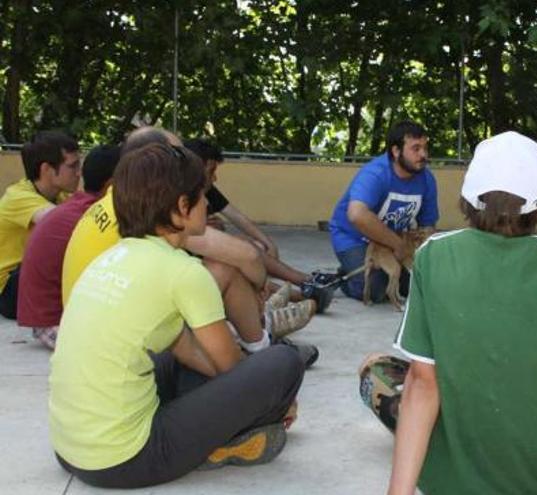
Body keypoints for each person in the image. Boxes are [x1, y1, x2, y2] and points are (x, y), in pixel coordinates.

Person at [371, 131, 537, 495]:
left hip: (449, 481)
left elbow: (421, 385)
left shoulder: (434, 256)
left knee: (374, 367)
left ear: (468, 198)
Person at [49, 142, 306, 488]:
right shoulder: (185, 273)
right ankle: (224, 441)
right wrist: (273, 394)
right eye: (203, 197)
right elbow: (230, 369)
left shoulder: (114, 256)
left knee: (182, 360)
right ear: (183, 207)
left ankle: (214, 428)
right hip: (126, 460)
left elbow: (185, 348)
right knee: (284, 361)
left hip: (70, 450)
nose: (207, 206)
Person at [62, 127, 315, 356]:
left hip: (86, 328)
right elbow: (244, 255)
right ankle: (260, 339)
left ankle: (257, 329)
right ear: (154, 163)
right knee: (223, 270)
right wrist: (259, 289)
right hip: (120, 342)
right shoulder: (151, 208)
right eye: (177, 156)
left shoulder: (117, 198)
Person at [183, 138, 333, 311]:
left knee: (252, 246)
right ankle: (303, 295)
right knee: (240, 256)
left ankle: (306, 284)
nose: (215, 177)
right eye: (211, 171)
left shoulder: (204, 189)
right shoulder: (183, 195)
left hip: (199, 253)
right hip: (192, 263)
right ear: (196, 168)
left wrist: (268, 243)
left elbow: (235, 216)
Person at [16, 145, 119, 349]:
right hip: (53, 324)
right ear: (111, 185)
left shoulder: (80, 205)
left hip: (48, 318)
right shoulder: (98, 214)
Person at [328, 120, 438, 302]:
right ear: (396, 151)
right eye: (416, 149)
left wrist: (426, 262)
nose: (423, 155)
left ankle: (365, 271)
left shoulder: (427, 179)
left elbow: (428, 226)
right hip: (354, 238)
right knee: (376, 290)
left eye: (425, 148)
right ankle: (343, 278)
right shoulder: (376, 173)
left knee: (417, 284)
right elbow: (357, 215)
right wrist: (399, 245)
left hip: (391, 243)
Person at [0, 131, 80, 319]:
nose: (79, 173)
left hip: (29, 277)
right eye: (72, 166)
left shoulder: (61, 195)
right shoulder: (17, 197)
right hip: (8, 290)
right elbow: (67, 225)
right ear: (46, 170)